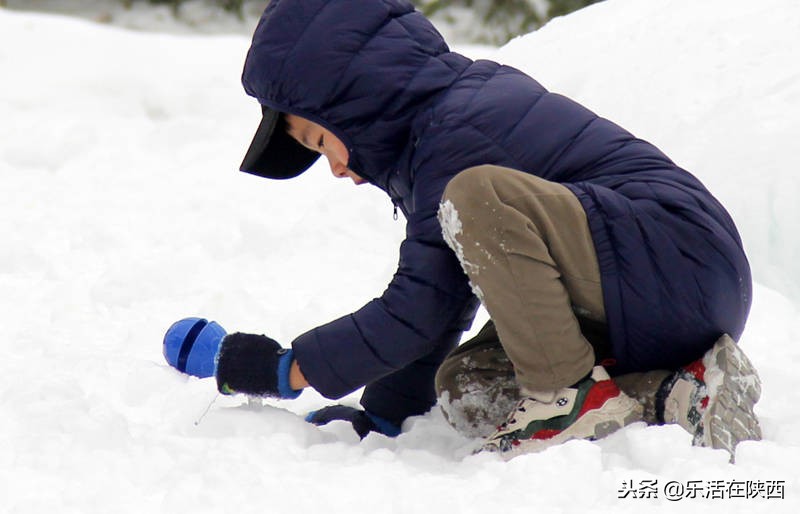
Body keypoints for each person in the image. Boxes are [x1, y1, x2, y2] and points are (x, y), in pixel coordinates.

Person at [164, 0, 762, 460]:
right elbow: (442, 306)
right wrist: (383, 419)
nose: (337, 168)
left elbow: (416, 310)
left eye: (321, 141)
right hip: (650, 291)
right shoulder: (434, 132)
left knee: (476, 195)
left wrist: (287, 370)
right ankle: (677, 395)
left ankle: (568, 398)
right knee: (464, 385)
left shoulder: (458, 127)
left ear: (357, 100)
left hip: (676, 254)